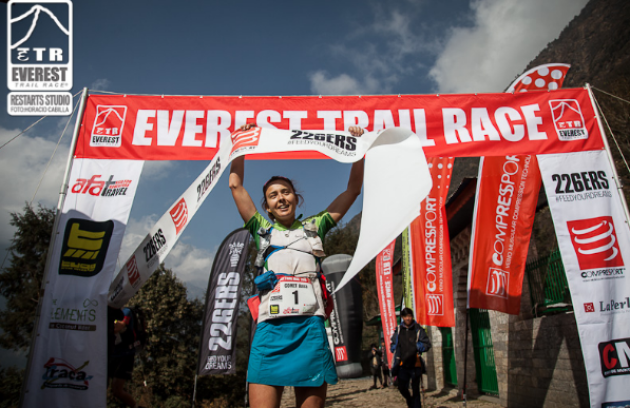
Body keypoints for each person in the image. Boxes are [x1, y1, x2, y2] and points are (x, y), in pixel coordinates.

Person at [230, 123, 365, 408]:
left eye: (286, 192)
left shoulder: (316, 225)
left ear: (295, 197)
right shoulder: (261, 229)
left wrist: (359, 148)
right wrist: (240, 144)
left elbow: (353, 190)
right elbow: (235, 184)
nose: (281, 197)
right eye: (273, 195)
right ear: (266, 206)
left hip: (310, 329)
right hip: (270, 330)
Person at [390, 308, 431, 408]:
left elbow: (427, 344)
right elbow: (393, 345)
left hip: (415, 364)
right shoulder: (399, 330)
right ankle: (409, 399)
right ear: (403, 318)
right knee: (401, 387)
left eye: (409, 316)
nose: (408, 318)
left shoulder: (418, 329)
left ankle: (416, 406)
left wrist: (418, 346)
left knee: (416, 389)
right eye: (405, 316)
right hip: (402, 364)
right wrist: (394, 348)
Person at [108, 306, 142, 408]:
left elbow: (118, 326)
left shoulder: (126, 311)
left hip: (125, 355)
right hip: (113, 353)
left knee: (117, 389)